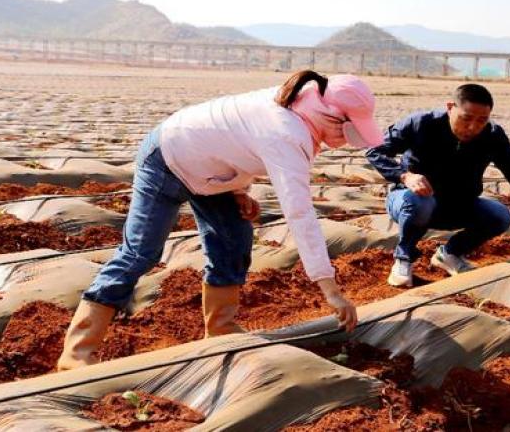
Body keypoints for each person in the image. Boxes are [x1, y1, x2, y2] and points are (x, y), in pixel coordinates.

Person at [57, 70, 384, 370]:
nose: (347, 140)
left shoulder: (299, 106)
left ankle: (221, 329)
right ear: (331, 115)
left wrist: (239, 189)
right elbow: (299, 213)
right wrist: (330, 288)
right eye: (348, 129)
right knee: (141, 252)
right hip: (168, 159)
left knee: (233, 241)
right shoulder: (287, 130)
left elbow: (236, 143)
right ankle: (78, 351)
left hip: (209, 171)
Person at [366, 83, 510, 287]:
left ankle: (449, 254)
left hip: (457, 205)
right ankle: (403, 259)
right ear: (450, 107)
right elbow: (375, 151)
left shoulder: (492, 135)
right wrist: (405, 176)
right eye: (466, 118)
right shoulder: (422, 124)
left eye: (482, 120)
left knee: (500, 216)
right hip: (410, 200)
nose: (473, 127)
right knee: (419, 201)